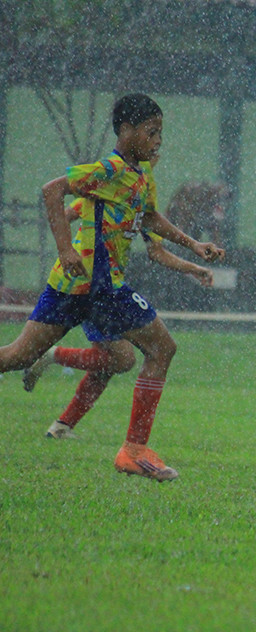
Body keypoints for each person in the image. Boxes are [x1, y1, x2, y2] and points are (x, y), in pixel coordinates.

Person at [0, 93, 223, 481]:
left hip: (90, 286)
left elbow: (151, 218)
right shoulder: (108, 170)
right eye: (152, 132)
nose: (158, 141)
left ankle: (127, 448)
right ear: (126, 130)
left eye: (160, 133)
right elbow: (53, 191)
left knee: (134, 355)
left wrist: (193, 247)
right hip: (93, 284)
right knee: (20, 355)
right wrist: (66, 248)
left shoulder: (141, 176)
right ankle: (132, 451)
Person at [22, 208, 215, 440]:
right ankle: (51, 357)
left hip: (103, 287)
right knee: (126, 358)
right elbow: (60, 213)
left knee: (113, 360)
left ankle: (62, 425)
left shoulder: (140, 191)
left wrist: (194, 268)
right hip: (91, 286)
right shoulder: (108, 180)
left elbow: (156, 251)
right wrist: (69, 250)